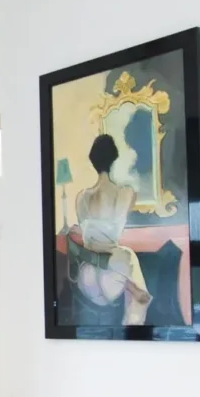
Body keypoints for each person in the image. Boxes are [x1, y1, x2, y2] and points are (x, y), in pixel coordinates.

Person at [66, 133, 151, 324]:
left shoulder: (81, 197)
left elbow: (89, 231)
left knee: (125, 268)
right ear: (114, 159)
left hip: (86, 277)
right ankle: (132, 329)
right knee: (130, 265)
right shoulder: (126, 193)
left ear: (93, 161)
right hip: (112, 277)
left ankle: (132, 293)